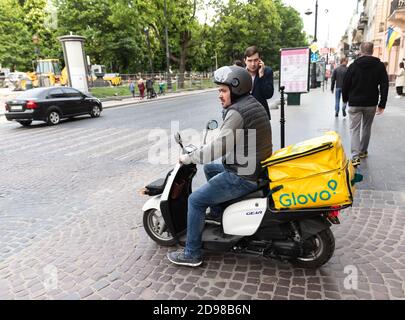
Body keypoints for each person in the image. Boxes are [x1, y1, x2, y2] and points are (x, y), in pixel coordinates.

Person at [167, 66, 273, 267]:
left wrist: (190, 157)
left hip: (244, 176)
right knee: (210, 169)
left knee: (195, 200)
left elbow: (219, 147)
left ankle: (191, 253)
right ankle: (217, 213)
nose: (219, 95)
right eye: (219, 91)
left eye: (223, 91)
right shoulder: (252, 103)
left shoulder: (236, 112)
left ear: (236, 89)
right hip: (255, 166)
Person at [342, 42, 389, 167]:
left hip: (355, 103)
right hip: (371, 103)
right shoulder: (379, 66)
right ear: (372, 51)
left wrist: (345, 99)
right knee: (367, 127)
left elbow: (346, 84)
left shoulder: (353, 66)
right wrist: (382, 104)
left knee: (354, 129)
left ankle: (355, 156)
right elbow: (384, 85)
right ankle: (363, 151)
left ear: (361, 51)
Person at [244, 46, 274, 119]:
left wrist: (261, 75)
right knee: (243, 131)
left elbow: (268, 94)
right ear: (245, 60)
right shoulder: (240, 73)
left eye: (256, 60)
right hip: (244, 117)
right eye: (250, 60)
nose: (253, 64)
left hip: (261, 117)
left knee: (260, 131)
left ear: (260, 60)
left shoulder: (267, 71)